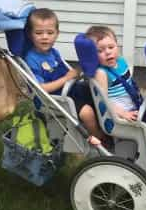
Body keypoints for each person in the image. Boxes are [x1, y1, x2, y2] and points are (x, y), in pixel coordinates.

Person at [23, 8, 105, 142]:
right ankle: (99, 139)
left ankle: (105, 126)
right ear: (30, 34)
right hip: (53, 98)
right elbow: (41, 89)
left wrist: (75, 74)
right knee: (87, 112)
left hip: (68, 90)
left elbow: (68, 72)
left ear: (57, 34)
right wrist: (66, 78)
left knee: (95, 93)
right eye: (39, 33)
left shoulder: (53, 52)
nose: (45, 37)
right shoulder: (31, 58)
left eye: (50, 33)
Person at [87, 25, 146, 152]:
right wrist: (123, 113)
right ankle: (145, 162)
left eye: (111, 47)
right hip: (120, 117)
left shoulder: (121, 61)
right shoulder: (101, 73)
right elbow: (103, 102)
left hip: (135, 108)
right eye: (100, 51)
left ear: (117, 46)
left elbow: (129, 85)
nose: (107, 52)